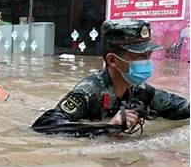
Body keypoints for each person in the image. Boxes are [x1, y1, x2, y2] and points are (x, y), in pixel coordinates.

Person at [32, 19, 189, 137]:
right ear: (113, 60)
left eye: (148, 55)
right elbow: (44, 125)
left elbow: (180, 108)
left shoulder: (140, 90)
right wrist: (105, 128)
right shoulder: (88, 92)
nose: (147, 62)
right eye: (140, 57)